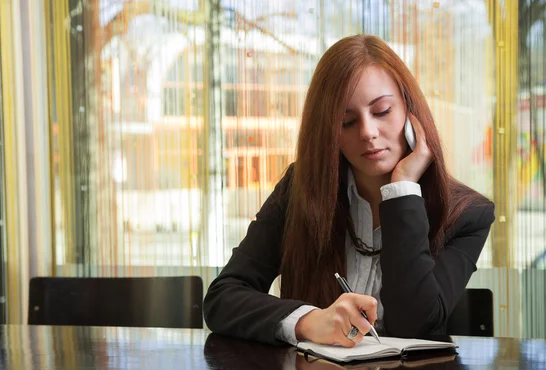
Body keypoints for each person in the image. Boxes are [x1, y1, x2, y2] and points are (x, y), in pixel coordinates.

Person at [203, 34, 495, 348]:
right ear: (329, 133)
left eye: (382, 111)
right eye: (347, 121)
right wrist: (309, 321)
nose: (368, 133)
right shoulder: (300, 189)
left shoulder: (467, 214)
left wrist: (402, 191)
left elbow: (416, 326)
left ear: (412, 114)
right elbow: (222, 298)